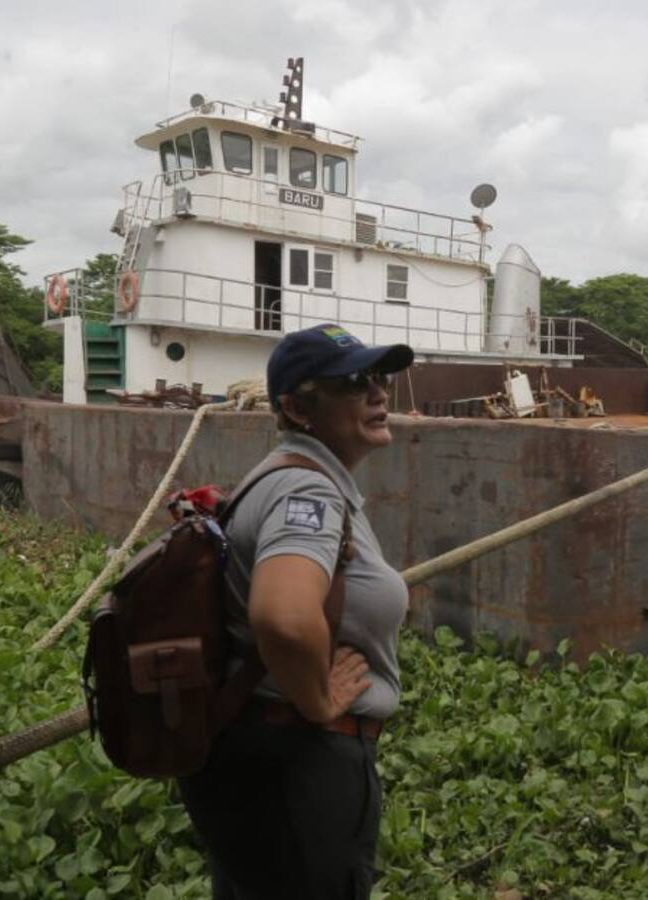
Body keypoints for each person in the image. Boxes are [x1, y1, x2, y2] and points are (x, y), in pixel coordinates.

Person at [179, 323, 414, 899]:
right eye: (354, 382)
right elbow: (282, 616)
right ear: (296, 407)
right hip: (296, 766)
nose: (378, 393)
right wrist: (317, 700)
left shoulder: (280, 476)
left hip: (248, 754)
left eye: (380, 378)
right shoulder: (307, 492)